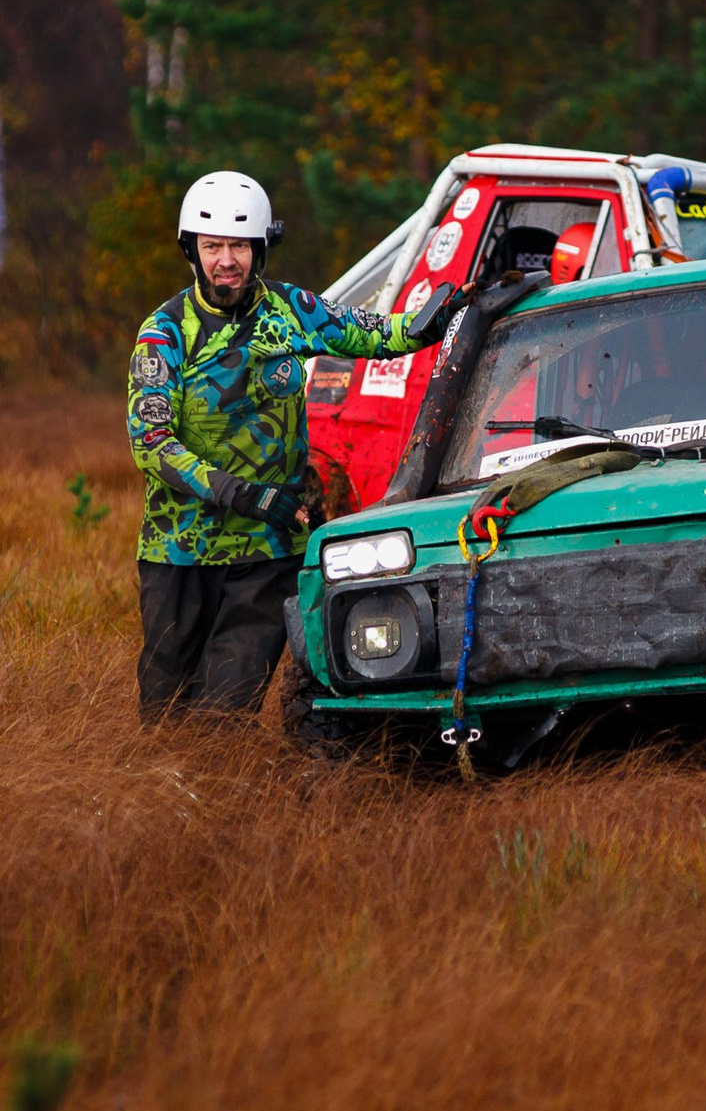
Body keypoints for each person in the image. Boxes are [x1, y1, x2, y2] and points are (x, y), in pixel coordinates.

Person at [128, 171, 462, 719]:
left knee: (226, 710)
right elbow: (151, 444)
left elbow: (376, 332)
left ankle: (219, 774)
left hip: (267, 550)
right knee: (163, 707)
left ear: (261, 249)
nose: (226, 261)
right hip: (179, 550)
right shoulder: (164, 333)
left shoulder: (290, 309)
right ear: (191, 250)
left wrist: (449, 314)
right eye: (213, 247)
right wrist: (242, 493)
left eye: (240, 246)